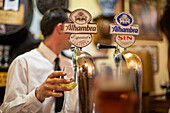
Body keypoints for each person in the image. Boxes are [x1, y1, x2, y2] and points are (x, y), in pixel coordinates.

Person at [0, 7, 78, 113]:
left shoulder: (71, 65)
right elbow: (6, 111)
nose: (77, 32)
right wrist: (37, 95)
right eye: (73, 27)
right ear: (61, 28)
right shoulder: (23, 62)